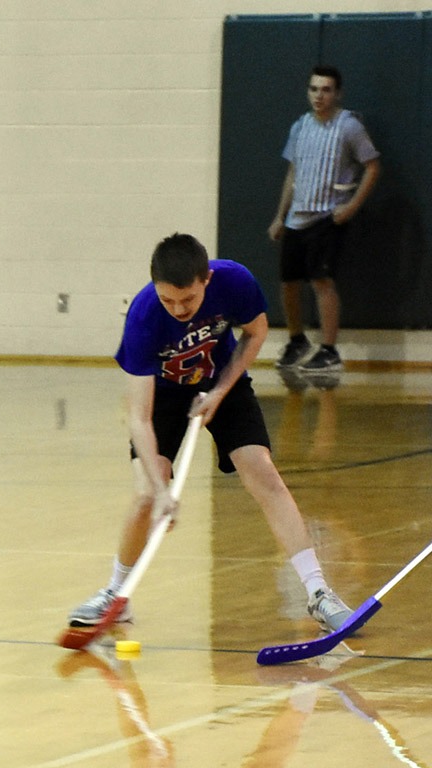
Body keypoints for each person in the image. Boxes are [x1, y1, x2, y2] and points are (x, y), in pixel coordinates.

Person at [68, 233, 353, 635]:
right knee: (147, 494)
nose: (178, 309)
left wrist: (220, 391)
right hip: (164, 396)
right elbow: (139, 418)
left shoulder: (234, 281)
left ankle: (320, 592)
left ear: (206, 280)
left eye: (187, 300)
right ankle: (117, 595)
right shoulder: (144, 317)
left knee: (263, 472)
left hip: (223, 381)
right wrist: (164, 491)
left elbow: (254, 333)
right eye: (169, 300)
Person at [269, 65, 380, 373]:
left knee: (321, 280)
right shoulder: (300, 127)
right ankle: (297, 341)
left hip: (327, 216)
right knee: (289, 283)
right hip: (296, 218)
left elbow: (372, 167)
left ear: (338, 93)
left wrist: (353, 205)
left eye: (326, 89)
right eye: (314, 89)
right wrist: (280, 216)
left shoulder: (349, 127)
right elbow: (292, 173)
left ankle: (329, 350)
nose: (319, 95)